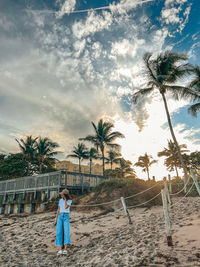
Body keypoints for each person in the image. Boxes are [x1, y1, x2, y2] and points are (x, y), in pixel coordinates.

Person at [55, 188, 72, 255]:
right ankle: (60, 249)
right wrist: (56, 218)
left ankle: (65, 249)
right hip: (60, 216)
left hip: (66, 216)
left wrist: (65, 200)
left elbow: (65, 207)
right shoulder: (60, 200)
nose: (61, 195)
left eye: (62, 194)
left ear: (64, 195)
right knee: (59, 231)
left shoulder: (70, 201)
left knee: (66, 231)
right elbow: (58, 210)